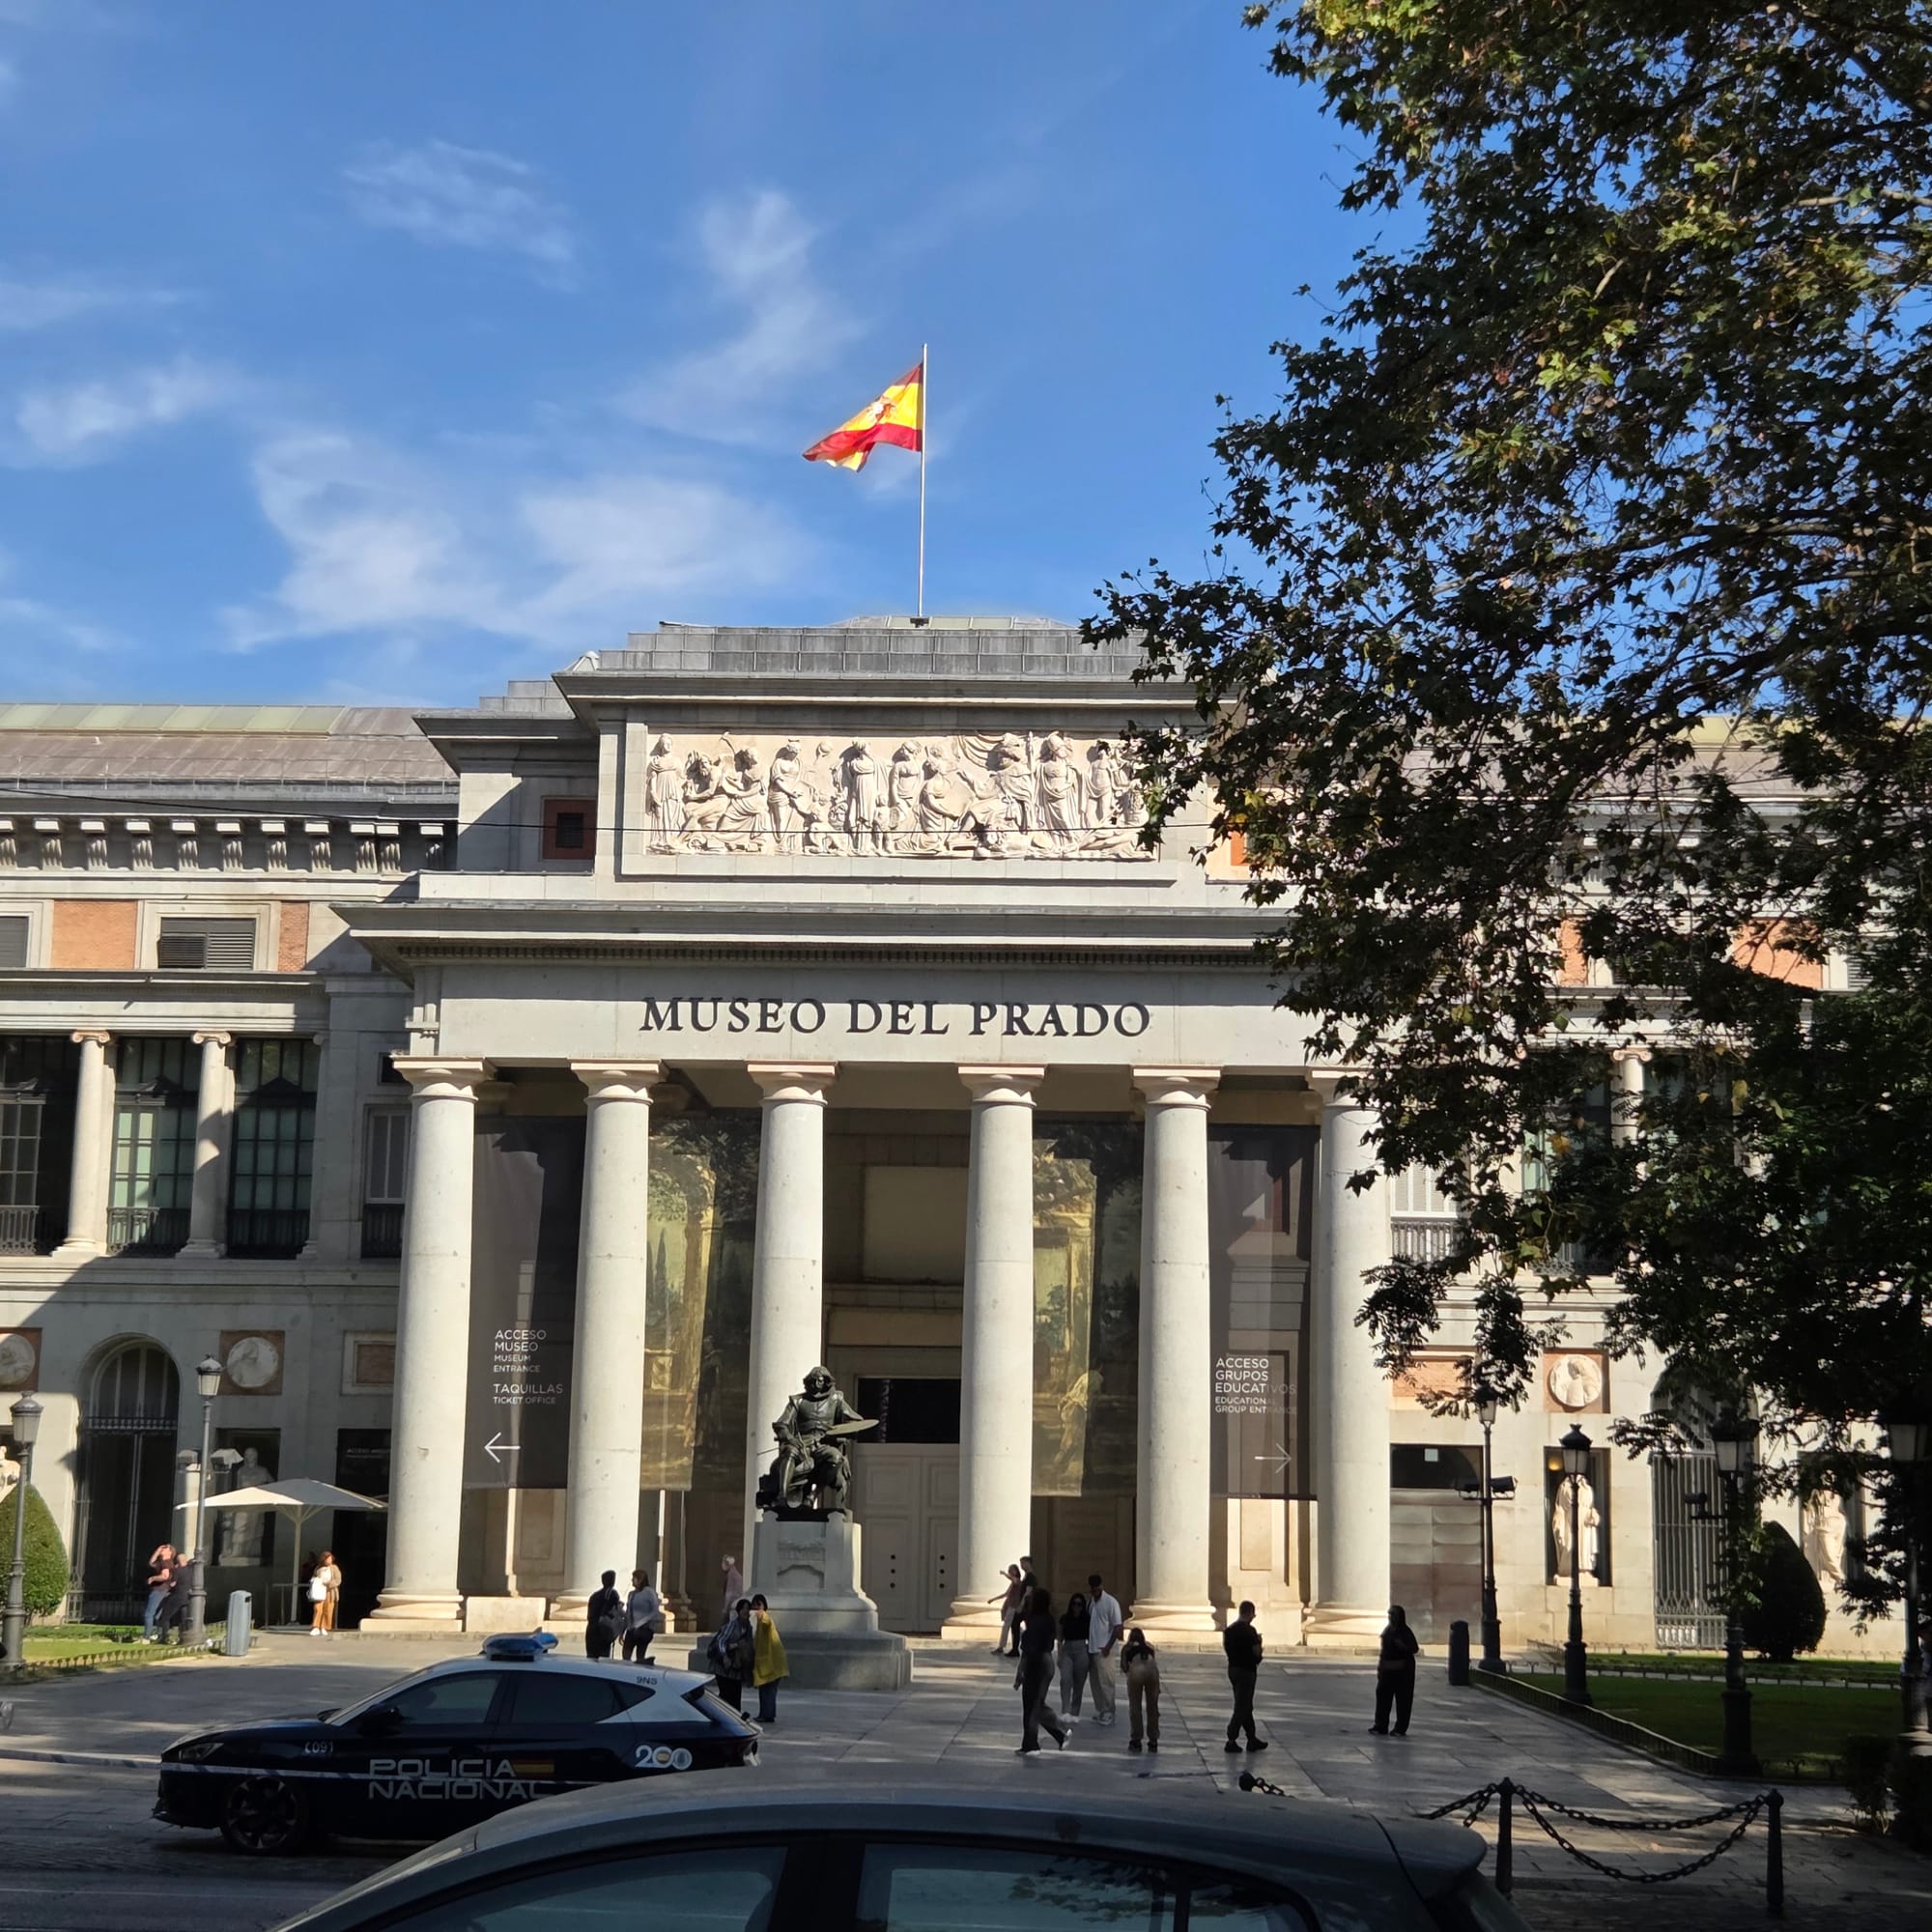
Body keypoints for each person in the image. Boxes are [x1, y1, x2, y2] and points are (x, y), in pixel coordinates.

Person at [1016, 1585, 1068, 1755]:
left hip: (1036, 1662)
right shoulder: (1049, 1619)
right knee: (1036, 1703)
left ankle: (1032, 1743)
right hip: (1047, 1661)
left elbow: (1027, 1650)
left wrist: (1020, 1672)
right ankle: (1057, 1735)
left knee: (1032, 1705)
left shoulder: (1034, 1622)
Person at [1223, 1600, 1266, 1753]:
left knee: (1245, 1705)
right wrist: (1260, 1645)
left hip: (1233, 1669)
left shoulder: (1229, 1630)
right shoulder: (1250, 1631)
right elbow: (1256, 1653)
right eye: (1253, 1614)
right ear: (1248, 1613)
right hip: (1247, 1671)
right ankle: (1231, 1738)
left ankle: (1251, 1738)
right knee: (1242, 1707)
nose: (1254, 1617)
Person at [1371, 1605, 1420, 1737]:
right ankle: (1380, 1725)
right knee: (1382, 1696)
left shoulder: (1405, 1632)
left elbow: (1414, 1648)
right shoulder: (1388, 1630)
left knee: (1403, 1700)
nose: (1391, 1617)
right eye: (1390, 1614)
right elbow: (1384, 1651)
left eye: (1393, 1614)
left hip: (1403, 1672)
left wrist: (1402, 1646)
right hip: (1387, 1670)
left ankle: (1400, 1728)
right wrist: (1380, 1667)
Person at [1085, 1572, 1122, 1726]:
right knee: (1095, 1682)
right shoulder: (1091, 1603)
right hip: (1092, 1648)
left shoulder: (1111, 1602)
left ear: (1101, 1586)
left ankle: (1109, 1711)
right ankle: (1101, 1709)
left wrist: (1107, 1646)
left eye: (1097, 1589)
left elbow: (1118, 1626)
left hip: (1105, 1649)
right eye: (1092, 1590)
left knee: (1107, 1682)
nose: (1095, 1592)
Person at [707, 1598, 754, 1713]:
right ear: (738, 1610)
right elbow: (721, 1641)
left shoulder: (748, 1627)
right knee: (725, 1696)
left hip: (736, 1668)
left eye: (748, 1609)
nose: (745, 1611)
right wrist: (725, 1655)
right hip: (724, 1667)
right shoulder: (733, 1625)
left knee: (735, 1698)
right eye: (743, 1608)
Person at [751, 1593, 788, 1724]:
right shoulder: (760, 1622)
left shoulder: (765, 1619)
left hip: (772, 1663)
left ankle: (767, 1715)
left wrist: (762, 1613)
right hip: (768, 1662)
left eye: (756, 1606)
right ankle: (766, 1713)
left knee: (768, 1691)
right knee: (765, 1690)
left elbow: (766, 1621)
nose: (755, 1610)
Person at [1122, 1627, 1160, 1753]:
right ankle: (1153, 1740)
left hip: (1136, 1671)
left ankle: (1136, 1740)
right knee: (1152, 1707)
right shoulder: (1149, 1646)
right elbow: (1153, 1659)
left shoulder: (1127, 1648)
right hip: (1152, 1672)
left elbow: (1124, 1667)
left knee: (1135, 1706)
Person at [1056, 1590, 1091, 1719]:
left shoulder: (1087, 1620)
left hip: (1082, 1649)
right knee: (1065, 1680)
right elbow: (1059, 1637)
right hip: (1067, 1650)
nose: (1077, 1607)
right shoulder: (1064, 1618)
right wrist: (1059, 1655)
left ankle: (1075, 1713)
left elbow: (1091, 1637)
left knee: (1079, 1684)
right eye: (1075, 1604)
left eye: (1079, 1604)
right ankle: (1065, 1711)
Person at [623, 1569, 663, 1662]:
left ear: (640, 1580)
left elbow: (654, 1611)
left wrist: (641, 1622)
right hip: (631, 1629)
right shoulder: (631, 1594)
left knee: (640, 1655)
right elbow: (628, 1613)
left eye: (634, 1578)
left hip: (644, 1629)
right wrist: (623, 1630)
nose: (632, 1580)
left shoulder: (649, 1592)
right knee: (626, 1655)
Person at [585, 1570, 623, 1660]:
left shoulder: (594, 1595)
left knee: (591, 1657)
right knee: (603, 1658)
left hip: (591, 1629)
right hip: (603, 1630)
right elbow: (614, 1610)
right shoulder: (612, 1593)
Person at [143, 1544, 177, 1642]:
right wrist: (157, 1552)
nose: (162, 1549)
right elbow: (151, 1563)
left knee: (149, 1614)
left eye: (165, 1548)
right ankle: (160, 1636)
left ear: (170, 1552)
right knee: (158, 1615)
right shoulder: (163, 1562)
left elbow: (165, 1576)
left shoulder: (166, 1562)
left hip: (159, 1590)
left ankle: (146, 1637)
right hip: (165, 1590)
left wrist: (153, 1578)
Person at [990, 1564, 1025, 1657]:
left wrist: (1005, 1574)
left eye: (1011, 1570)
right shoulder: (1013, 1583)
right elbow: (1006, 1594)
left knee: (1007, 1626)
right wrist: (993, 1599)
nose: (1010, 1572)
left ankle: (1001, 1647)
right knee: (1014, 1626)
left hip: (1014, 1606)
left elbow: (1013, 1579)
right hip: (1009, 1606)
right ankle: (1023, 1640)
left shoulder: (1018, 1581)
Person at [307, 1550, 342, 1637]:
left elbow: (338, 1580)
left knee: (328, 1609)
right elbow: (314, 1576)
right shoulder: (318, 1568)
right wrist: (315, 1581)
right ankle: (316, 1627)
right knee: (318, 1608)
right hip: (319, 1590)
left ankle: (324, 1627)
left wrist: (329, 1584)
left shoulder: (334, 1568)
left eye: (330, 1559)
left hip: (330, 1592)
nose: (329, 1561)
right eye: (327, 1559)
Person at [721, 1554, 744, 1618]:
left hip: (733, 1605)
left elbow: (729, 1594)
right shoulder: (735, 1573)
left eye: (723, 1563)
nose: (722, 1565)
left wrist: (725, 1608)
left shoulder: (731, 1574)